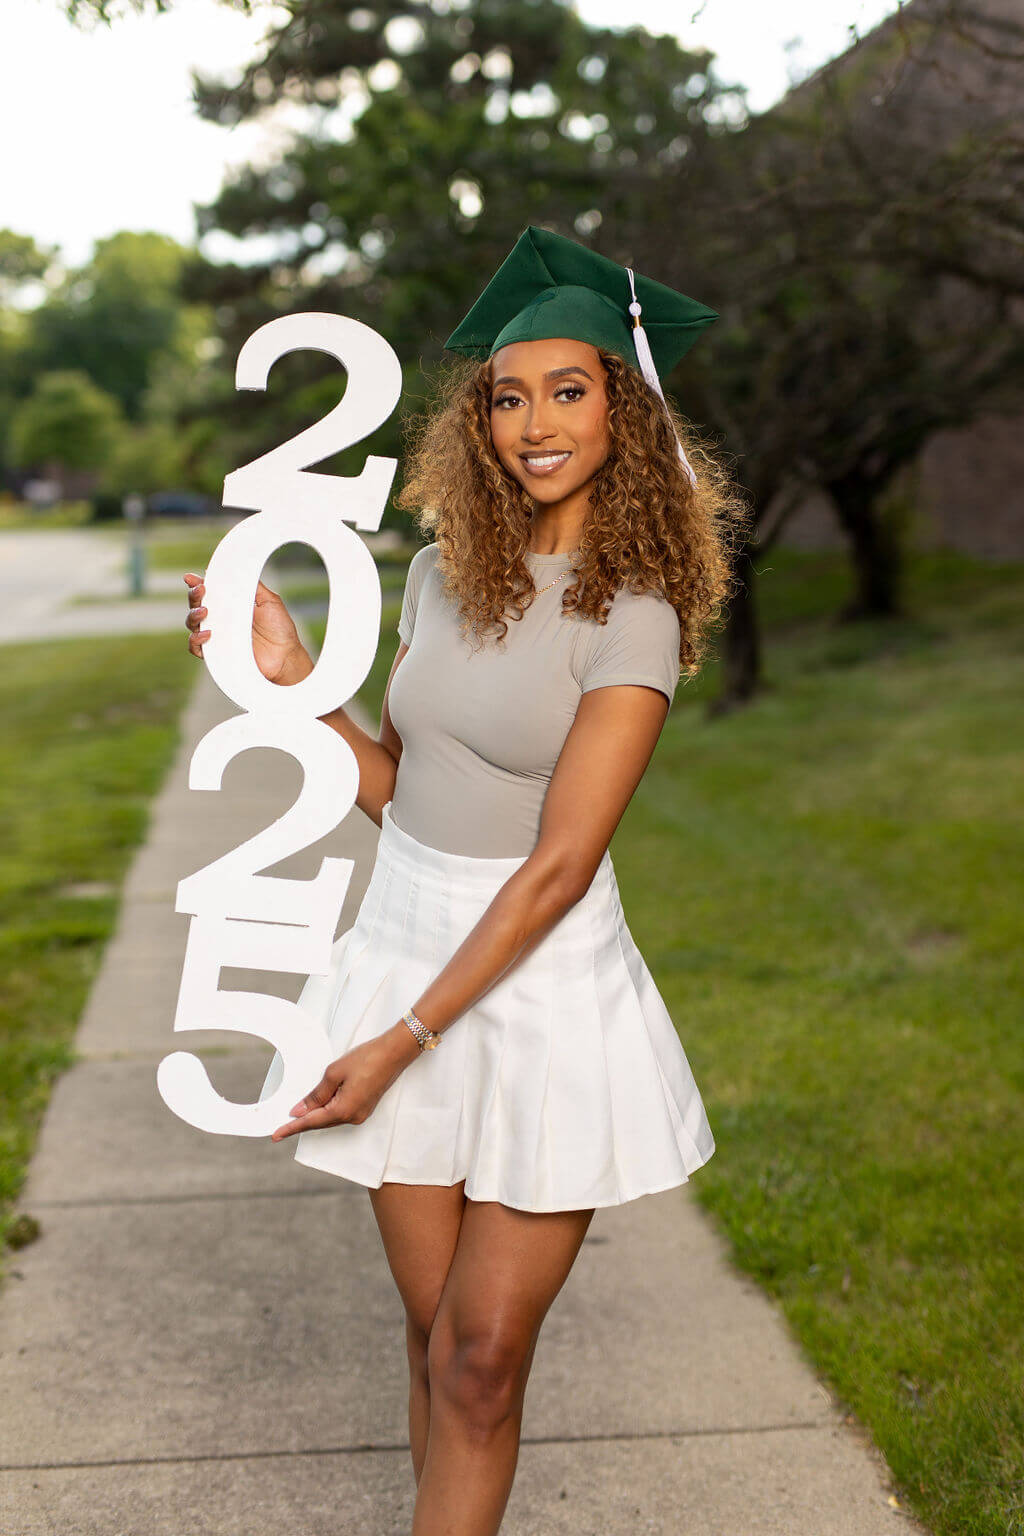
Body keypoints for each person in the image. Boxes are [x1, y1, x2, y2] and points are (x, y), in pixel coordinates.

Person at [183, 224, 750, 1536]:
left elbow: (557, 868)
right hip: (408, 936)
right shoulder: (445, 577)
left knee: (483, 1360)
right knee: (435, 1337)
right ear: (477, 420)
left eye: (569, 389)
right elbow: (401, 791)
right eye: (508, 396)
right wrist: (296, 678)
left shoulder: (637, 610)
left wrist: (402, 1041)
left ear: (626, 401)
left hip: (535, 984)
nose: (535, 423)